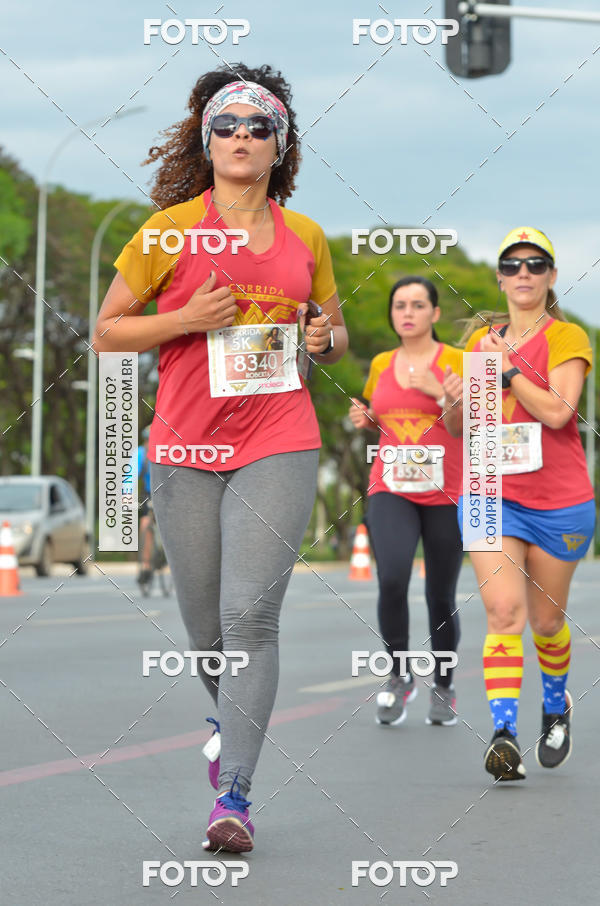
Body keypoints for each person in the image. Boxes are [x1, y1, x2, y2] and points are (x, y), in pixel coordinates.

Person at [92, 63, 348, 851]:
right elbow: (106, 333)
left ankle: (233, 794)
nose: (242, 136)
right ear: (208, 143)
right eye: (228, 126)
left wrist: (321, 337)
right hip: (184, 445)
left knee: (250, 617)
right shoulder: (168, 231)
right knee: (208, 631)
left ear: (280, 146)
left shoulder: (305, 237)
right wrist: (185, 320)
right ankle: (229, 725)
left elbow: (334, 331)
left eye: (258, 126)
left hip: (279, 436)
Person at [443, 227, 595, 781]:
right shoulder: (477, 345)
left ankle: (555, 705)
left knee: (546, 620)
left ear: (551, 276)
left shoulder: (567, 337)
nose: (523, 273)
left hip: (559, 501)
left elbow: (558, 412)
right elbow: (465, 427)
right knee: (503, 612)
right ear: (500, 277)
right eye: (512, 265)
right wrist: (455, 401)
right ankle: (504, 734)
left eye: (536, 264)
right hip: (491, 495)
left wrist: (506, 369)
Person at [348, 276, 463, 728]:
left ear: (435, 313)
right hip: (391, 487)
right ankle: (399, 677)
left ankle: (445, 684)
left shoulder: (455, 361)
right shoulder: (381, 362)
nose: (408, 313)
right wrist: (366, 417)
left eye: (418, 305)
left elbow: (466, 427)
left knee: (440, 594)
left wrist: (441, 394)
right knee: (392, 577)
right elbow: (379, 415)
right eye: (400, 306)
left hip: (446, 492)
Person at [136, 427, 153, 586]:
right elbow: (130, 475)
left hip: (168, 492)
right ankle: (146, 565)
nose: (149, 444)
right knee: (145, 523)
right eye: (147, 441)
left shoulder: (166, 450)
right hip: (149, 492)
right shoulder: (141, 453)